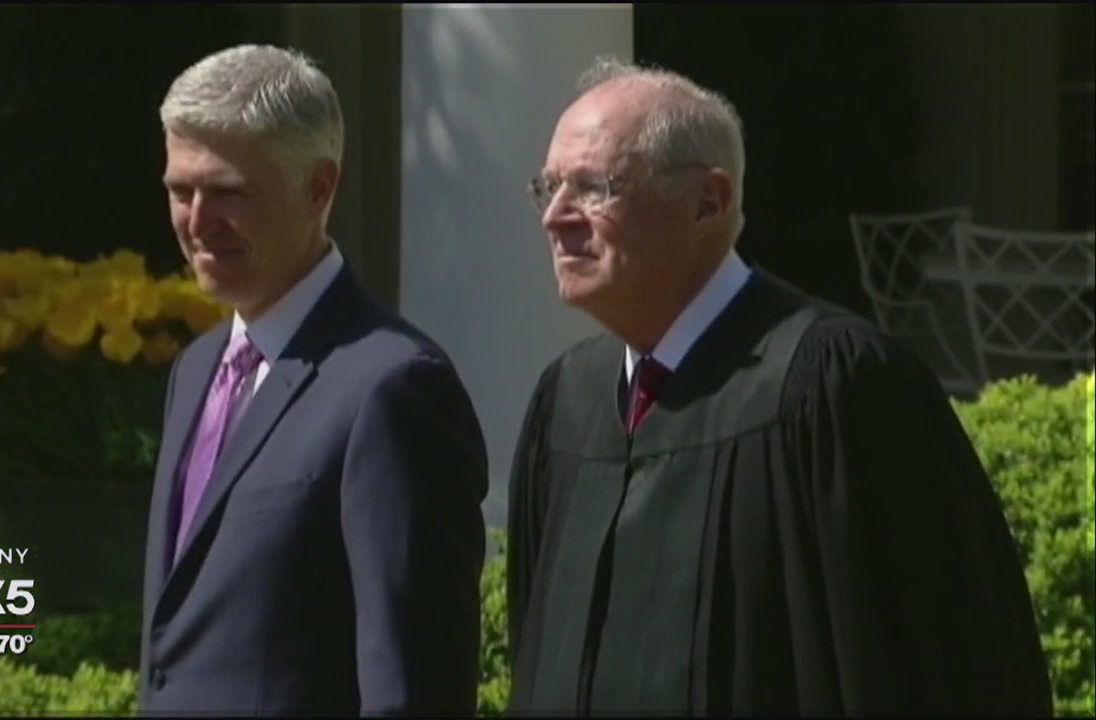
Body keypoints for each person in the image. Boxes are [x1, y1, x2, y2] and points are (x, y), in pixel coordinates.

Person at [506, 57, 1053, 717]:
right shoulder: (568, 402)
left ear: (707, 202)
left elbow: (952, 670)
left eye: (594, 188)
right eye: (549, 187)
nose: (555, 217)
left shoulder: (834, 389)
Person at [139, 45, 488, 716]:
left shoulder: (393, 388)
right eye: (181, 191)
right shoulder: (196, 370)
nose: (198, 222)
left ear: (319, 187)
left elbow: (415, 688)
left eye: (229, 192)